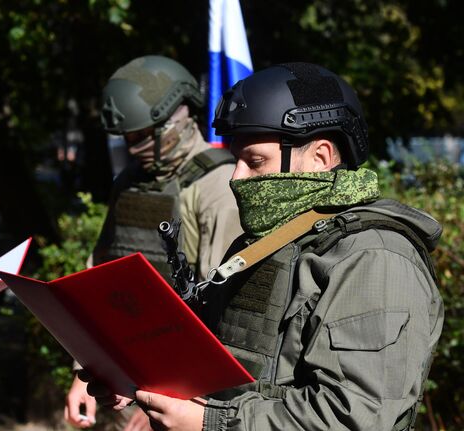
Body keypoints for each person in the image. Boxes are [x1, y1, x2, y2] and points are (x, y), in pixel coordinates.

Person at [85, 62, 444, 431]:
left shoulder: (375, 259)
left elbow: (355, 416)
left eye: (255, 162)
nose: (237, 177)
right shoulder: (272, 240)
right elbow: (226, 365)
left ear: (320, 158)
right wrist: (145, 382)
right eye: (236, 160)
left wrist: (211, 423)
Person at [65, 55, 243, 430]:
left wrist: (173, 401)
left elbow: (221, 312)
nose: (133, 149)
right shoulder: (130, 181)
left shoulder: (216, 184)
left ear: (176, 120)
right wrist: (83, 372)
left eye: (141, 137)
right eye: (127, 139)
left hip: (181, 393)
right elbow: (98, 279)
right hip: (116, 380)